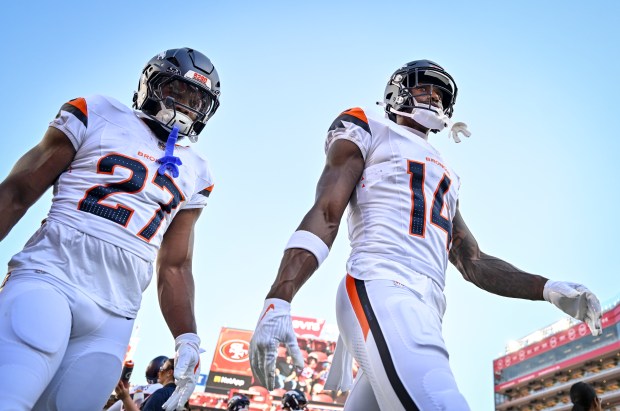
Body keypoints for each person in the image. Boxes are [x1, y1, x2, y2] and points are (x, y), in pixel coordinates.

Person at [249, 60, 603, 410]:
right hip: (381, 282)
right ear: (396, 92)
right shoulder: (368, 126)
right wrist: (279, 297)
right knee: (439, 401)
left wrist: (546, 288)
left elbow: (472, 261)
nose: (433, 97)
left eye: (440, 93)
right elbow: (327, 212)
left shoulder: (446, 171)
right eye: (424, 87)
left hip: (429, 305)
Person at [0, 47, 221, 411]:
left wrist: (187, 338)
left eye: (197, 99)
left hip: (116, 316)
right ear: (151, 85)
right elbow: (19, 190)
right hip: (51, 277)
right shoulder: (98, 112)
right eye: (178, 91)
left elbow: (175, 264)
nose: (186, 105)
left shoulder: (198, 170)